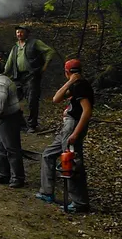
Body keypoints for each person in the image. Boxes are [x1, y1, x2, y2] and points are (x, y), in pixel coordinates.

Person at [35, 59, 93, 213]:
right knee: (48, 154)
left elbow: (87, 111)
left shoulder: (81, 86)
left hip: (73, 126)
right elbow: (56, 99)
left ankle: (79, 203)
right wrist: (69, 83)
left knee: (70, 163)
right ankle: (47, 192)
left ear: (67, 72)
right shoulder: (75, 85)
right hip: (67, 127)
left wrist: (75, 133)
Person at [3, 25, 56, 133]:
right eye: (17, 32)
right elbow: (9, 64)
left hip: (32, 76)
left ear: (27, 33)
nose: (19, 34)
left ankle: (32, 125)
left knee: (32, 101)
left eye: (21, 32)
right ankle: (20, 123)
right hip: (18, 77)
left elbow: (50, 51)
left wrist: (45, 66)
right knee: (13, 100)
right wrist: (3, 75)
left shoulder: (35, 43)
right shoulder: (15, 48)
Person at [0, 59, 26, 188]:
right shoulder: (1, 80)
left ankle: (17, 178)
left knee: (12, 149)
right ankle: (3, 175)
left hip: (8, 119)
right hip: (4, 118)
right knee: (1, 148)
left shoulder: (1, 84)